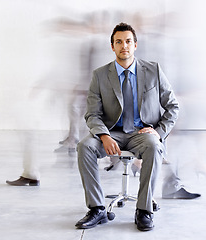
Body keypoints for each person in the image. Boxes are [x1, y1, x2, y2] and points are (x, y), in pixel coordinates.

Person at [75, 22, 179, 231]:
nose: (124, 46)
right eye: (119, 42)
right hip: (111, 132)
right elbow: (92, 114)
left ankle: (144, 210)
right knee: (84, 146)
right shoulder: (100, 75)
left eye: (128, 41)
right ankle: (97, 209)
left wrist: (158, 132)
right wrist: (104, 136)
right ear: (112, 47)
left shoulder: (153, 70)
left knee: (153, 145)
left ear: (135, 45)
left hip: (142, 133)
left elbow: (173, 107)